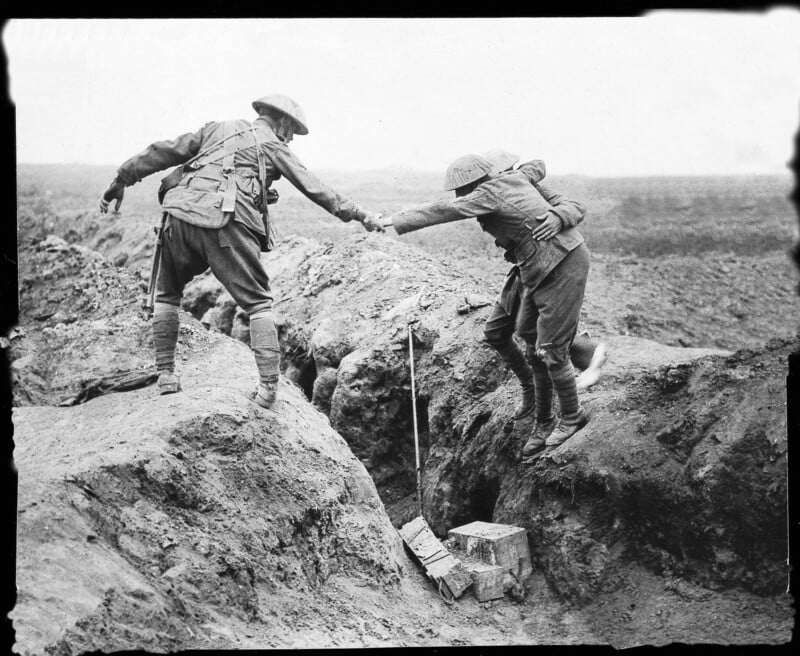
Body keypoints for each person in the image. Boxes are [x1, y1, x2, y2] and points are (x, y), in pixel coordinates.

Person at [98, 94, 384, 409]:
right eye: (291, 132)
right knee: (259, 303)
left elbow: (164, 151)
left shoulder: (215, 129)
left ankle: (166, 375)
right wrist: (360, 214)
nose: (290, 139)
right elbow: (316, 188)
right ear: (283, 122)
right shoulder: (274, 146)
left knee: (167, 296)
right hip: (226, 220)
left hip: (176, 216)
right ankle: (267, 391)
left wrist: (122, 177)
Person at [382, 153, 591, 453]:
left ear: (474, 183)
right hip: (536, 266)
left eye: (462, 189)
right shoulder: (512, 179)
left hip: (561, 263)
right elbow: (536, 166)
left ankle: (572, 416)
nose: (460, 195)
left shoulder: (488, 192)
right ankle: (543, 419)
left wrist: (393, 219)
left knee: (549, 350)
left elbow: (444, 210)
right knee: (531, 347)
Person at [480, 149, 607, 413]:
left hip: (548, 265)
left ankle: (581, 358)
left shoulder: (529, 185)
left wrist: (557, 218)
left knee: (539, 335)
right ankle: (533, 386)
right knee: (497, 331)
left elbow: (574, 205)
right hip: (524, 267)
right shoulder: (491, 195)